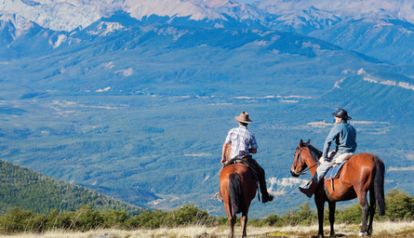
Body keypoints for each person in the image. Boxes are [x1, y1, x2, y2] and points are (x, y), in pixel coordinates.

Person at [299, 108, 357, 198]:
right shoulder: (352, 128)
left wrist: (325, 156)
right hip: (351, 152)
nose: (335, 119)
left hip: (341, 153)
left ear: (340, 118)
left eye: (336, 117)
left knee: (321, 168)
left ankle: (310, 189)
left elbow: (328, 142)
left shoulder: (338, 127)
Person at [221, 111, 274, 203]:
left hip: (232, 158)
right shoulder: (250, 134)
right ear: (247, 123)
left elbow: (225, 145)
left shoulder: (232, 131)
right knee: (261, 172)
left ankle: (221, 194)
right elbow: (254, 150)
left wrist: (223, 158)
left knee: (222, 173)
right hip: (245, 158)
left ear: (238, 122)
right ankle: (265, 195)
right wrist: (246, 150)